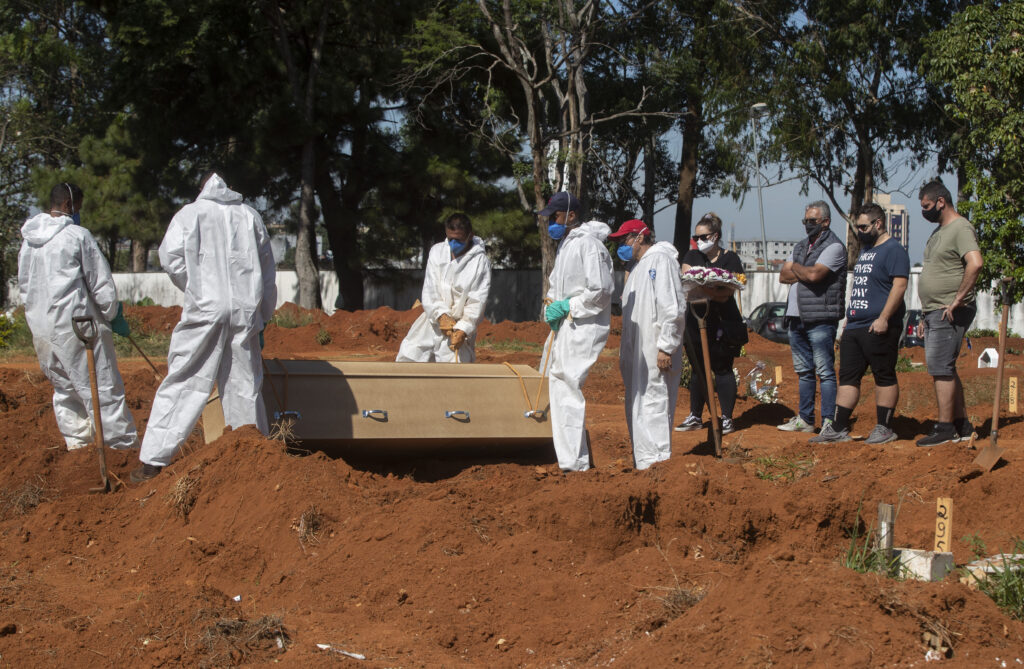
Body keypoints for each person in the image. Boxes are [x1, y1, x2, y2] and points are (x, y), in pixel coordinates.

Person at [131, 173, 277, 482]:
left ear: (201, 188)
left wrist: (195, 287)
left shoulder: (190, 214)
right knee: (244, 382)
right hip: (244, 310)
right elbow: (266, 270)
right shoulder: (250, 216)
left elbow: (170, 259)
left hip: (205, 310)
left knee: (186, 378)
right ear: (230, 188)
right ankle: (252, 454)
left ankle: (153, 463)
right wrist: (263, 314)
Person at [17, 182, 138, 451]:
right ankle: (121, 451)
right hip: (79, 328)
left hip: (42, 332)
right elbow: (100, 284)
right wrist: (112, 314)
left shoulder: (28, 243)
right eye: (78, 207)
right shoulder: (77, 236)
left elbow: (25, 289)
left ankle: (79, 450)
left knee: (66, 391)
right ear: (68, 206)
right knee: (102, 389)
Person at [811, 203, 909, 444]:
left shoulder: (894, 249)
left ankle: (884, 427)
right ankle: (838, 427)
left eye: (864, 226)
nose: (860, 231)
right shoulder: (866, 250)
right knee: (848, 377)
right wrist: (849, 321)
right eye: (857, 227)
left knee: (883, 374)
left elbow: (899, 286)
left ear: (879, 223)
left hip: (879, 325)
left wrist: (884, 318)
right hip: (855, 325)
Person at [538, 192, 613, 472]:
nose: (551, 224)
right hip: (567, 325)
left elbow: (601, 292)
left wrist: (568, 305)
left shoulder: (588, 246)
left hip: (583, 325)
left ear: (570, 216)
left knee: (567, 386)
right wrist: (552, 307)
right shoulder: (567, 245)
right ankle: (569, 457)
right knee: (555, 383)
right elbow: (558, 285)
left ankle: (574, 465)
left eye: (555, 217)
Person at [611, 220, 686, 469]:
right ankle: (643, 461)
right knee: (640, 405)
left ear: (640, 237)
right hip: (639, 353)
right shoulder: (639, 268)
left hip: (656, 351)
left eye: (625, 240)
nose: (622, 246)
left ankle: (657, 464)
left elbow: (671, 306)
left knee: (655, 403)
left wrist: (667, 345)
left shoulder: (661, 261)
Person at [915, 180, 983, 447]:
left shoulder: (961, 227)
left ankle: (945, 429)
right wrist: (923, 315)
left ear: (941, 202)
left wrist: (958, 299)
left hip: (950, 310)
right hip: (934, 310)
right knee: (946, 368)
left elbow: (975, 263)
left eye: (927, 206)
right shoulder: (938, 232)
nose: (925, 211)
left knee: (940, 368)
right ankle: (961, 425)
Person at [777, 201, 847, 433]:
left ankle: (828, 421)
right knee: (804, 371)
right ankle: (805, 419)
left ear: (825, 222)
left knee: (825, 371)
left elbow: (816, 275)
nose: (808, 225)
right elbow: (783, 276)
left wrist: (797, 268)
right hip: (796, 317)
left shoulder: (834, 247)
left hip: (820, 318)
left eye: (812, 221)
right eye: (805, 221)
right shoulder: (800, 246)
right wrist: (802, 270)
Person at [674, 212, 746, 435]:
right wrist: (711, 289)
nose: (698, 241)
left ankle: (726, 418)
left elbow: (726, 294)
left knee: (723, 369)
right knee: (698, 370)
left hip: (723, 323)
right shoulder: (692, 256)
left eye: (703, 236)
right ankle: (695, 415)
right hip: (696, 320)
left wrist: (704, 289)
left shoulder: (730, 259)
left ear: (715, 236)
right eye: (696, 237)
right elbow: (686, 282)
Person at [396, 213, 492, 363]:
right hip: (432, 321)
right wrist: (441, 315)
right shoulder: (437, 252)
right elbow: (430, 289)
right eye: (450, 238)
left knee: (455, 370)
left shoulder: (480, 262)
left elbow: (477, 300)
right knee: (410, 356)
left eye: (458, 239)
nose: (453, 243)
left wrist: (463, 328)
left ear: (470, 235)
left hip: (457, 327)